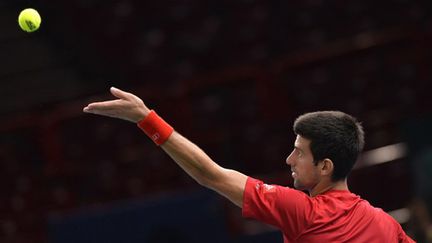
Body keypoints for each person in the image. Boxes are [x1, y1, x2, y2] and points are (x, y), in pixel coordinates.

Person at [83, 87, 415, 242]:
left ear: (326, 166)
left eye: (299, 152)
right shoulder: (387, 225)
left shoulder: (303, 212)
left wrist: (146, 119)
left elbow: (209, 174)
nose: (289, 160)